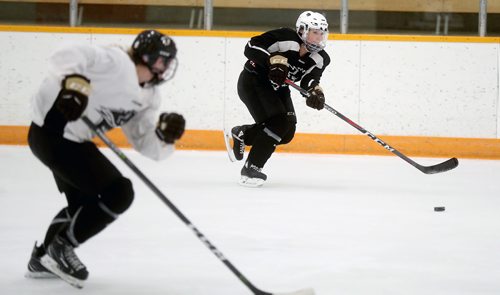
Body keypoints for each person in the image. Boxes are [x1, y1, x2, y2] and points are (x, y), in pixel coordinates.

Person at [25, 29, 186, 288]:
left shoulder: (149, 97)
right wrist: (74, 82)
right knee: (119, 193)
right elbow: (66, 54)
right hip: (51, 131)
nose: (166, 67)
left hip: (74, 141)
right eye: (162, 60)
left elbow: (145, 143)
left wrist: (164, 137)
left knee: (86, 204)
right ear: (147, 56)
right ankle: (61, 248)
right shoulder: (116, 62)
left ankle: (42, 258)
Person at [230, 11, 330, 187]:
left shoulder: (321, 58)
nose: (319, 37)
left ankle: (243, 134)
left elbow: (309, 80)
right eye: (315, 32)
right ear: (302, 30)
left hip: (279, 88)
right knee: (278, 122)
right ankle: (250, 170)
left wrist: (315, 92)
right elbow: (251, 46)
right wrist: (272, 61)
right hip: (254, 81)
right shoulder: (286, 37)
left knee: (287, 131)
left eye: (322, 33)